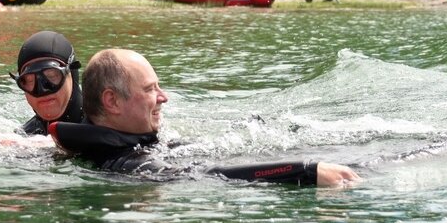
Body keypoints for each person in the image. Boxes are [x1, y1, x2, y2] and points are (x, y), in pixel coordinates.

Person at [49, 48, 362, 186]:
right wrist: (306, 171)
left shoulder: (115, 139)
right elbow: (209, 174)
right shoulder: (128, 165)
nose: (163, 97)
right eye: (150, 89)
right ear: (112, 102)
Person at [11, 31, 85, 135]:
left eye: (52, 76)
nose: (42, 90)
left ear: (72, 73)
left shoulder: (107, 122)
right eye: (30, 81)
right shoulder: (24, 137)